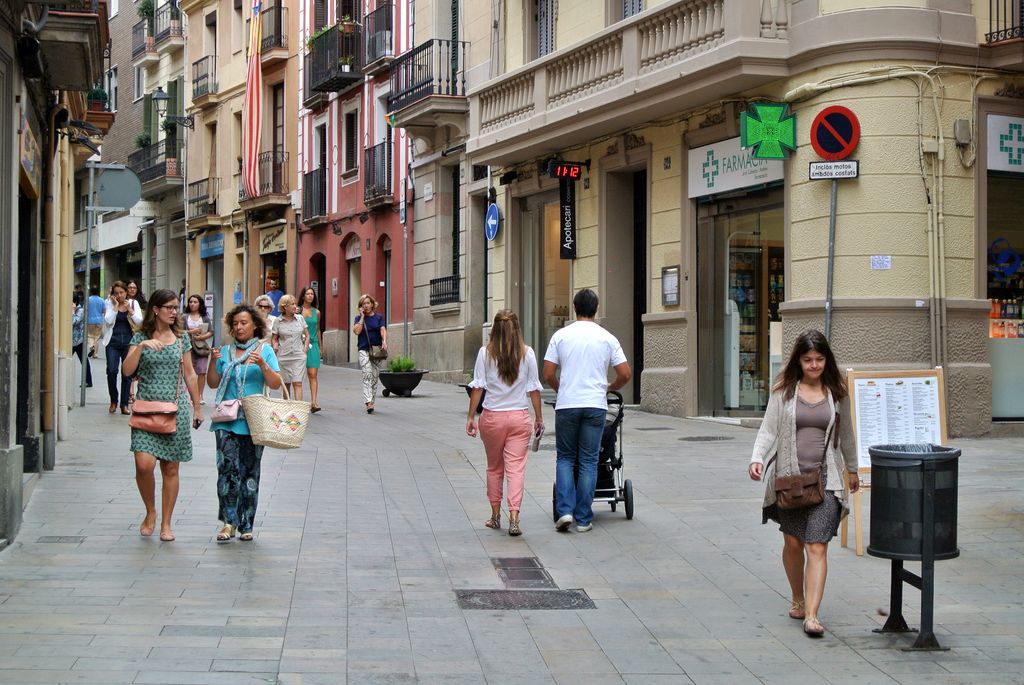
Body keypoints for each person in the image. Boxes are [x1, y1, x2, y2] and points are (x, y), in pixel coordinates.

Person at [747, 329, 858, 638]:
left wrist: (853, 469)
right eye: (808, 360)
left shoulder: (837, 391)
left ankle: (812, 615)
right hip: (791, 479)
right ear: (798, 360)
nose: (814, 365)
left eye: (819, 359)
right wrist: (757, 458)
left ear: (827, 360)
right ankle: (798, 597)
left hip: (827, 481)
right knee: (793, 542)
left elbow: (846, 433)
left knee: (817, 545)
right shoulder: (785, 390)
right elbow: (768, 430)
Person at [543, 288, 630, 533]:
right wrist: (610, 386)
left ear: (574, 307)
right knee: (589, 461)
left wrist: (562, 389)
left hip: (568, 404)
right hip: (594, 404)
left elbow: (548, 373)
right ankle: (583, 518)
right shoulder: (607, 338)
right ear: (596, 308)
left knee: (565, 458)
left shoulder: (561, 336)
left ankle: (565, 511)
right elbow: (625, 373)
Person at [121, 289, 204, 542]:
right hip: (147, 410)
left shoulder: (181, 340)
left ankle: (166, 523)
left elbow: (190, 374)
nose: (174, 311)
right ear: (155, 309)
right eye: (168, 307)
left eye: (175, 307)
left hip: (175, 410)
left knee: (170, 468)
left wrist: (197, 407)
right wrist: (142, 346)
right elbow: (127, 370)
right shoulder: (140, 337)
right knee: (143, 465)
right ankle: (150, 511)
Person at [208, 304, 283, 542]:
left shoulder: (265, 350)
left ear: (255, 326)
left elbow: (274, 383)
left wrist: (262, 364)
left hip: (254, 420)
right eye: (236, 323)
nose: (239, 327)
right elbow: (212, 383)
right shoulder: (226, 352)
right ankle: (228, 522)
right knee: (227, 470)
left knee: (250, 472)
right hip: (226, 420)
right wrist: (212, 361)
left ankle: (246, 523)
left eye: (244, 323)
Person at [466, 310, 543, 537]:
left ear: (495, 329)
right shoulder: (527, 354)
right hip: (519, 418)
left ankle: (495, 516)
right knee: (516, 469)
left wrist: (471, 417)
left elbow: (478, 387)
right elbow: (534, 389)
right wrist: (538, 418)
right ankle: (515, 518)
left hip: (492, 418)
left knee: (494, 467)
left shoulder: (485, 353)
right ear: (517, 328)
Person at [102, 281, 144, 414]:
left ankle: (124, 404)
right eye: (116, 293)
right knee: (112, 371)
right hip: (112, 342)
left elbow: (140, 322)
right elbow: (108, 321)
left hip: (129, 342)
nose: (119, 295)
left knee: (127, 374)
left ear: (126, 292)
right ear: (113, 295)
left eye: (121, 292)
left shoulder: (133, 303)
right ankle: (114, 400)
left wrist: (130, 310)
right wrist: (115, 306)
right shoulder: (109, 303)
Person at [352, 294, 388, 414]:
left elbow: (382, 329)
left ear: (372, 304)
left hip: (376, 351)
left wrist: (384, 341)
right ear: (360, 306)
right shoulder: (358, 318)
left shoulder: (379, 317)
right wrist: (362, 317)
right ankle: (368, 402)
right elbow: (357, 331)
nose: (366, 306)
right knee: (367, 373)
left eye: (368, 303)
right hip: (363, 349)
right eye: (363, 304)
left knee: (374, 376)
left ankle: (371, 400)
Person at [271, 294, 309, 400]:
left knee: (298, 383)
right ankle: (287, 410)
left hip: (298, 356)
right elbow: (274, 338)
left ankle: (298, 411)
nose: (295, 306)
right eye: (292, 304)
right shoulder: (278, 321)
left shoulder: (300, 319)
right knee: (286, 385)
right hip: (283, 357)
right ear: (285, 307)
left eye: (295, 304)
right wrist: (275, 346)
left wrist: (304, 350)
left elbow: (307, 335)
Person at [183, 294, 214, 404]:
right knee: (188, 371)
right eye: (191, 302)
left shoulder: (204, 317)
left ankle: (200, 396)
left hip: (201, 347)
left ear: (200, 304)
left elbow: (211, 331)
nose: (192, 304)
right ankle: (190, 395)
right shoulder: (184, 317)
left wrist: (202, 336)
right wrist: (191, 332)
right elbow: (178, 331)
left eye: (195, 302)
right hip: (187, 347)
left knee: (201, 371)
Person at [298, 287, 324, 412]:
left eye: (312, 294)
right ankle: (299, 402)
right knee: (298, 375)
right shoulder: (297, 311)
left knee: (312, 374)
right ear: (303, 296)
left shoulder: (317, 312)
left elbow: (318, 329)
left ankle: (314, 403)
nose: (310, 296)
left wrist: (321, 347)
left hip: (313, 345)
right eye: (307, 294)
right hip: (299, 345)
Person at [72, 292, 93, 387]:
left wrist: (72, 311)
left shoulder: (80, 311)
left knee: (84, 360)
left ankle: (88, 381)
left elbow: (73, 321)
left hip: (79, 341)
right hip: (71, 341)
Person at [87, 285, 105, 357]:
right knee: (97, 337)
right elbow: (104, 310)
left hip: (90, 320)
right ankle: (95, 354)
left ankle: (91, 347)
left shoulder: (88, 299)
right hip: (99, 320)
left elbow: (86, 309)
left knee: (90, 336)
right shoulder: (102, 300)